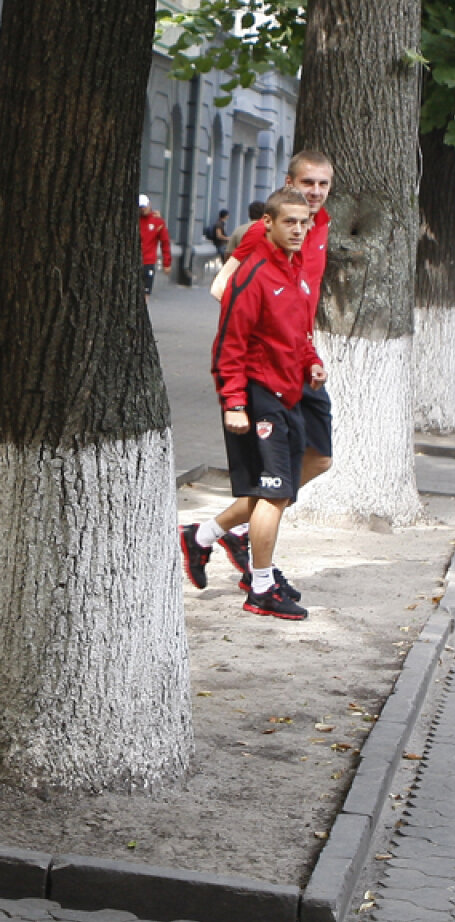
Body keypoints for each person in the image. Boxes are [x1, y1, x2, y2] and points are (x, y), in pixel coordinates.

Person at [181, 151, 335, 593]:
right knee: (276, 484)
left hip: (301, 362)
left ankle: (209, 533)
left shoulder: (317, 226)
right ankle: (250, 538)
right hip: (267, 369)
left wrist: (305, 351)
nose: (316, 192)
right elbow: (222, 288)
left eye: (324, 184)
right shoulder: (268, 231)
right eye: (308, 183)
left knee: (319, 459)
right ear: (290, 181)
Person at [204, 186, 325, 619]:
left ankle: (203, 537)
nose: (297, 229)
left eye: (303, 222)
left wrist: (312, 362)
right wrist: (234, 403)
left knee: (282, 489)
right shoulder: (253, 274)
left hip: (290, 391)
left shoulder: (299, 272)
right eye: (288, 221)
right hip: (258, 395)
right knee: (272, 494)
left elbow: (298, 333)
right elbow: (228, 347)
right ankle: (260, 587)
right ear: (267, 224)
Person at [138, 194, 171, 304]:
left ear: (149, 205)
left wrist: (167, 263)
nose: (143, 209)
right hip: (135, 260)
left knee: (146, 291)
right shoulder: (136, 221)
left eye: (144, 206)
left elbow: (165, 242)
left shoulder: (157, 222)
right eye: (141, 207)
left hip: (148, 261)